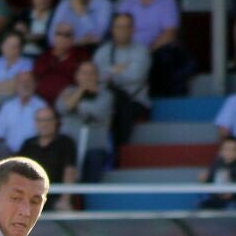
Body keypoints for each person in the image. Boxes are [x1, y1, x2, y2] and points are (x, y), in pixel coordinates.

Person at [92, 12, 150, 148]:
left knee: (121, 108)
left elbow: (136, 77)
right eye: (119, 27)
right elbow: (95, 77)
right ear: (112, 29)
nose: (123, 31)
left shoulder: (141, 51)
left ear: (133, 29)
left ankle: (121, 152)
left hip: (134, 99)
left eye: (127, 27)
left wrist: (110, 72)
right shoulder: (103, 51)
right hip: (107, 96)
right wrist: (117, 70)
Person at [57, 60, 114, 182]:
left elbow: (98, 111)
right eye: (83, 73)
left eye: (91, 73)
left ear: (97, 76)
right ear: (77, 76)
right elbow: (62, 108)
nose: (87, 77)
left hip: (94, 147)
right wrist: (81, 90)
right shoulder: (68, 91)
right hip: (69, 147)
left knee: (91, 184)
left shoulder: (106, 95)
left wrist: (74, 103)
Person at [19, 107, 78, 209]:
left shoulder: (65, 142)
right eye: (40, 120)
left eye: (48, 120)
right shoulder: (28, 144)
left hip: (56, 196)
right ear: (35, 123)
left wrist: (65, 199)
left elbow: (69, 171)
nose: (44, 124)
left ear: (55, 122)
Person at [33, 22, 87, 105]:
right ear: (54, 37)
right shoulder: (44, 57)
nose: (62, 38)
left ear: (73, 39)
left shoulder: (80, 57)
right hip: (41, 103)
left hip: (68, 103)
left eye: (67, 35)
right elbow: (35, 80)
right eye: (59, 34)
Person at [197, 137, 236, 210]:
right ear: (220, 152)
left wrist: (234, 192)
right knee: (201, 206)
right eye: (226, 149)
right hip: (216, 199)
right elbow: (209, 183)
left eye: (233, 150)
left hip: (235, 201)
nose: (229, 152)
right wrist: (203, 180)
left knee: (232, 208)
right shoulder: (216, 164)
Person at [0, 71, 46, 151]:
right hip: (9, 154)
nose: (25, 84)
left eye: (28, 81)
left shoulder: (42, 106)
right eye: (21, 82)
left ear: (35, 84)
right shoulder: (7, 107)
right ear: (16, 85)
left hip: (34, 153)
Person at [0, 31, 34, 102]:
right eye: (7, 44)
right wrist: (7, 85)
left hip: (15, 102)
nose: (10, 49)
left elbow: (15, 88)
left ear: (20, 49)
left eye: (14, 46)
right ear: (2, 45)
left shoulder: (27, 64)